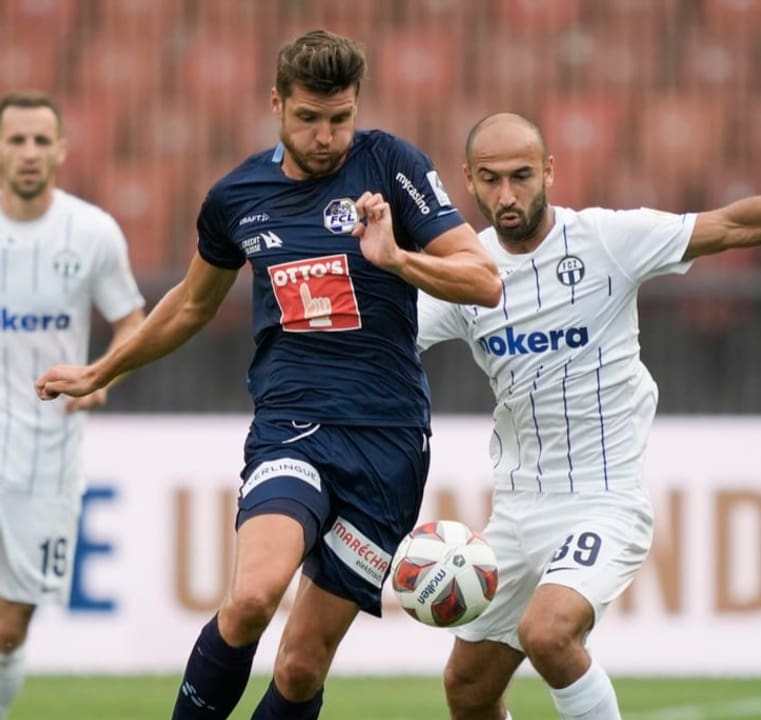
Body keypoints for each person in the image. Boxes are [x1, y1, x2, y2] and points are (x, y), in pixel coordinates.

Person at [35, 30, 501, 720]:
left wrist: (398, 259)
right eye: (308, 119)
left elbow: (484, 279)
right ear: (276, 104)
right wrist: (103, 368)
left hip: (389, 444)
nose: (325, 136)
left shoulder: (391, 166)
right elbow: (192, 303)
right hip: (292, 427)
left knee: (301, 664)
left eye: (339, 119)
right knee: (252, 597)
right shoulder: (238, 197)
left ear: (357, 107)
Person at [417, 112, 761, 720]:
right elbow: (380, 346)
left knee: (548, 633)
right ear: (468, 180)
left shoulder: (606, 240)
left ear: (549, 170)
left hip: (602, 502)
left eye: (522, 175)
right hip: (515, 511)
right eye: (491, 180)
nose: (507, 195)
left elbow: (733, 225)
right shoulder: (468, 276)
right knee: (467, 687)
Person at [0, 90, 146, 719]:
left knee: (8, 630)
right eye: (15, 140)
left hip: (45, 454)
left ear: (60, 149)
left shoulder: (90, 233)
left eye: (40, 140)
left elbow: (131, 320)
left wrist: (102, 371)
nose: (29, 153)